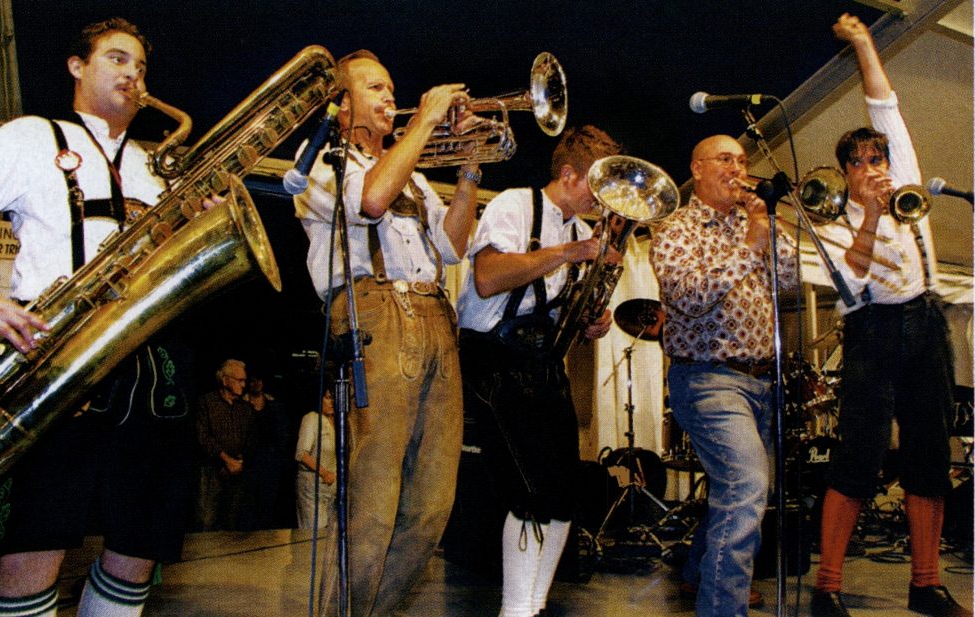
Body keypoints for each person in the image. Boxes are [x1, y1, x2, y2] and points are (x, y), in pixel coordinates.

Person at [0, 18, 199, 617]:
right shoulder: (31, 137)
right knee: (35, 548)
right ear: (76, 67)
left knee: (140, 547)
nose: (132, 75)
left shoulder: (153, 167)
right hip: (56, 361)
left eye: (140, 66)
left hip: (152, 372)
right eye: (116, 60)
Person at [293, 49, 481, 615]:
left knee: (431, 508)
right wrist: (426, 119)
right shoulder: (323, 164)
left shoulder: (416, 177)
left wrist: (470, 168)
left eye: (391, 87)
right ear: (342, 103)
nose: (389, 98)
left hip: (433, 321)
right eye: (374, 88)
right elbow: (371, 201)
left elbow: (450, 247)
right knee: (373, 502)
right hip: (376, 315)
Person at [809, 14, 971, 617]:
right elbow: (851, 285)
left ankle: (925, 583)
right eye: (861, 162)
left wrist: (864, 43)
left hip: (925, 324)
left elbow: (885, 104)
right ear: (846, 174)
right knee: (859, 455)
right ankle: (827, 586)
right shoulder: (832, 223)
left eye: (878, 158)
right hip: (873, 333)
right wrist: (873, 217)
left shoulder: (906, 181)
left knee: (931, 452)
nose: (875, 167)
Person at [454, 125, 622, 617]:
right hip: (492, 359)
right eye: (598, 184)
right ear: (568, 175)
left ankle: (535, 604)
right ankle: (516, 611)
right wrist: (570, 254)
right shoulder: (514, 203)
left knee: (564, 493)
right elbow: (487, 279)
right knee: (530, 491)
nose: (604, 197)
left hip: (541, 362)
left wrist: (593, 318)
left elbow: (552, 305)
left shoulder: (576, 227)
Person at [649, 134, 799, 617]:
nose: (738, 168)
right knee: (747, 484)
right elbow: (688, 297)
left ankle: (699, 574)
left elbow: (791, 280)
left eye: (742, 160)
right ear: (697, 168)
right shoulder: (675, 227)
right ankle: (722, 607)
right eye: (725, 160)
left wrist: (767, 227)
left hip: (761, 382)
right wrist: (749, 246)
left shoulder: (752, 220)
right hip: (708, 378)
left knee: (738, 487)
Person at [195, 358, 255, 531]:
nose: (244, 385)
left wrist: (239, 462)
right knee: (207, 521)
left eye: (245, 380)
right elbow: (202, 436)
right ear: (225, 379)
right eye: (240, 380)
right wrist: (225, 460)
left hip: (237, 472)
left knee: (232, 523)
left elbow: (251, 439)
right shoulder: (207, 403)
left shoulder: (245, 408)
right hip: (211, 471)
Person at [240, 368, 293, 530]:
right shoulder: (241, 405)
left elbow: (283, 433)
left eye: (259, 380)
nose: (256, 384)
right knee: (248, 504)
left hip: (270, 462)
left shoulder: (274, 405)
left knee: (267, 503)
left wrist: (278, 456)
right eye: (252, 380)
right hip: (248, 462)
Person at [295, 389, 337, 530]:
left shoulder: (339, 423)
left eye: (334, 398)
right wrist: (324, 472)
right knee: (315, 535)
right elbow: (301, 454)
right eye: (328, 398)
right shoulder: (312, 419)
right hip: (313, 489)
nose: (332, 402)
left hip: (333, 491)